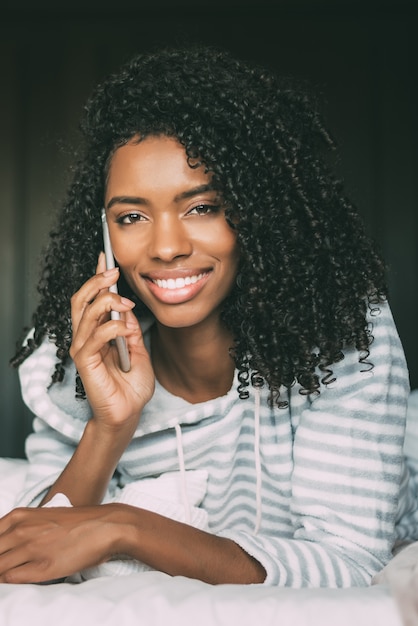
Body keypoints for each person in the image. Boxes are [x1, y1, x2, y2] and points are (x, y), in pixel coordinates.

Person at [1, 45, 417, 587]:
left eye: (202, 207)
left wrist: (127, 526)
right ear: (103, 236)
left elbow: (350, 561)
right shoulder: (70, 359)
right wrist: (110, 426)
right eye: (131, 216)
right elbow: (34, 547)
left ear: (257, 212)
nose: (167, 247)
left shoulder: (341, 334)